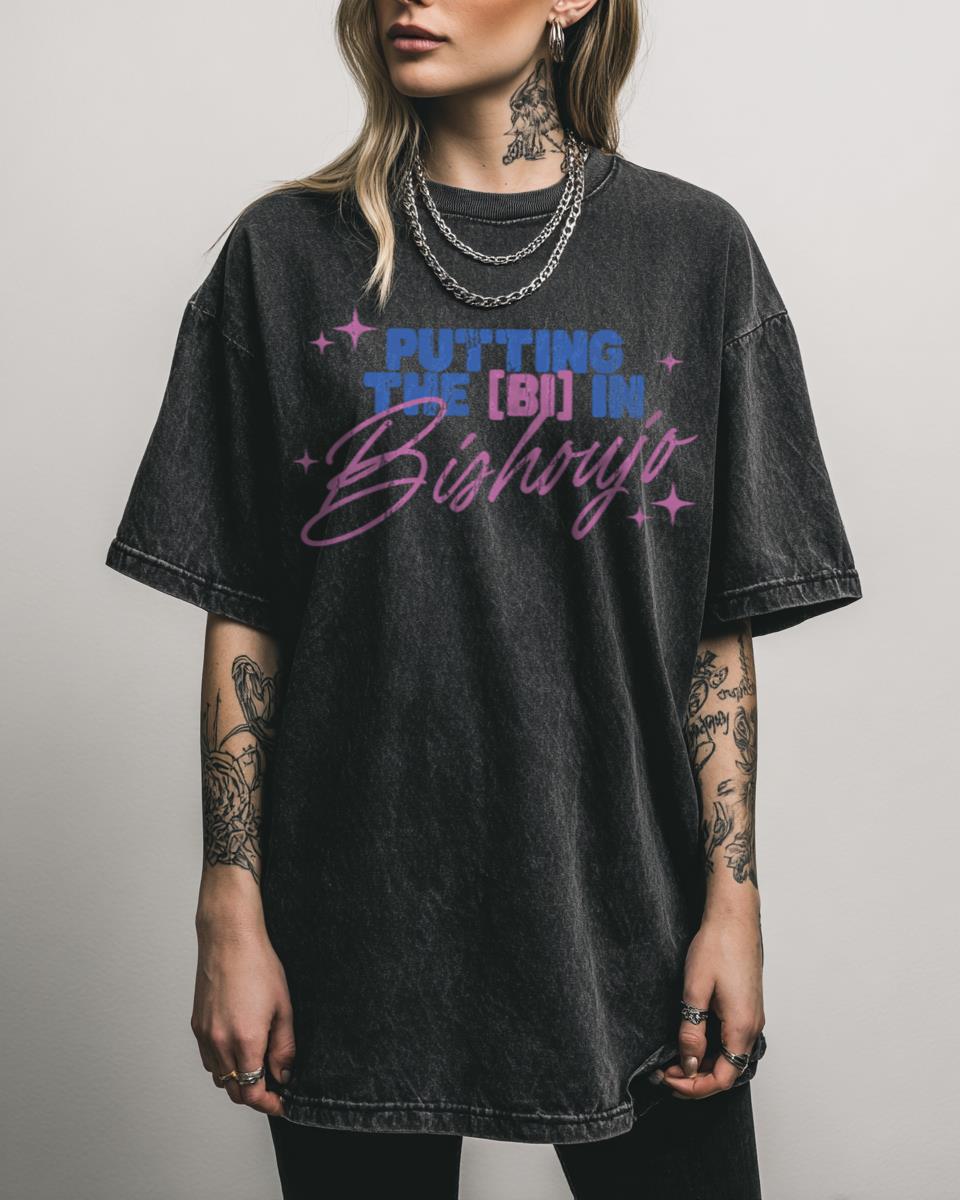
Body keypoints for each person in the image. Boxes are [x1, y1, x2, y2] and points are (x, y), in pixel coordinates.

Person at [104, 0, 863, 1195]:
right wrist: (229, 906)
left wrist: (734, 903)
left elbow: (715, 631)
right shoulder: (284, 255)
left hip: (630, 917)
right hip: (352, 924)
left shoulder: (692, 252)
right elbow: (245, 609)